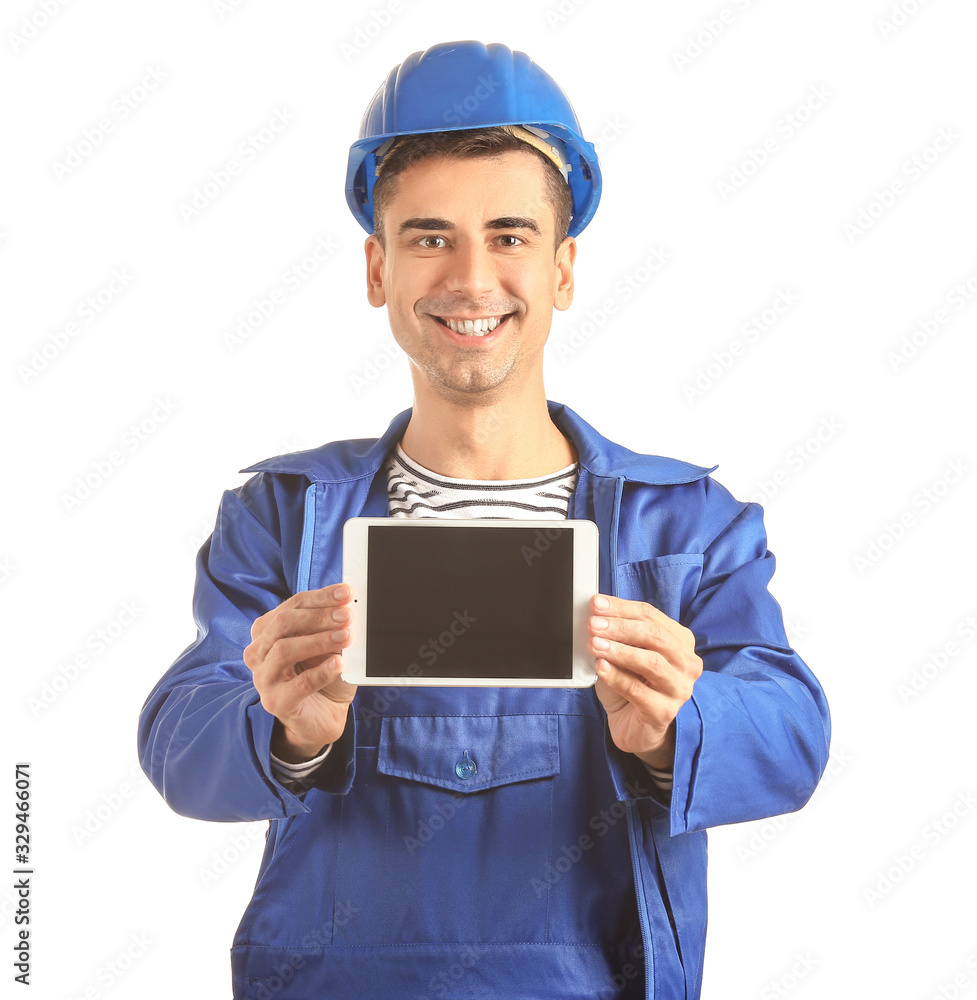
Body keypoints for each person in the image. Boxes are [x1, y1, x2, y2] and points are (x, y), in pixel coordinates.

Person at [138, 41, 830, 1000]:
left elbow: (794, 739)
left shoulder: (685, 526)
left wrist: (683, 723)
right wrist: (283, 731)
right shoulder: (283, 521)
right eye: (429, 238)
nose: (471, 278)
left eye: (509, 235)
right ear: (377, 267)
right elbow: (179, 746)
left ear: (563, 268)